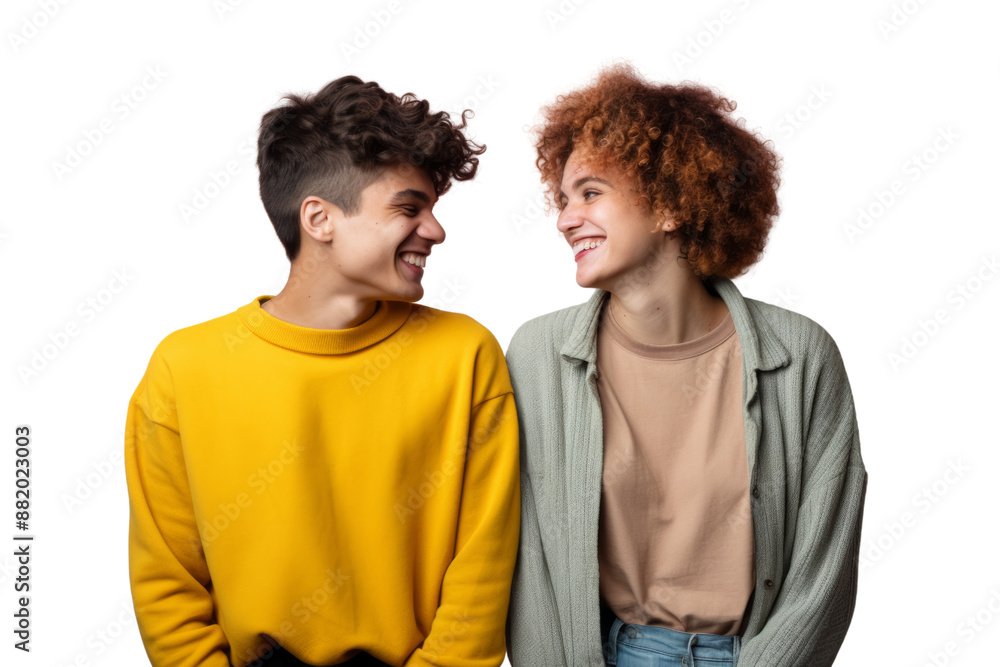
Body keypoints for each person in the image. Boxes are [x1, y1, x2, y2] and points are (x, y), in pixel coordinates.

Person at [124, 75, 520, 667]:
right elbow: (167, 581)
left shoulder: (465, 355)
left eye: (432, 209)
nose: (435, 230)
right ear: (319, 219)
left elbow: (483, 571)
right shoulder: (184, 370)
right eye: (409, 208)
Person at [504, 62, 867, 666]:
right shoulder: (539, 357)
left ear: (672, 204)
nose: (566, 218)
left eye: (590, 192)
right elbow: (531, 561)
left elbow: (824, 567)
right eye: (563, 199)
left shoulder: (801, 356)